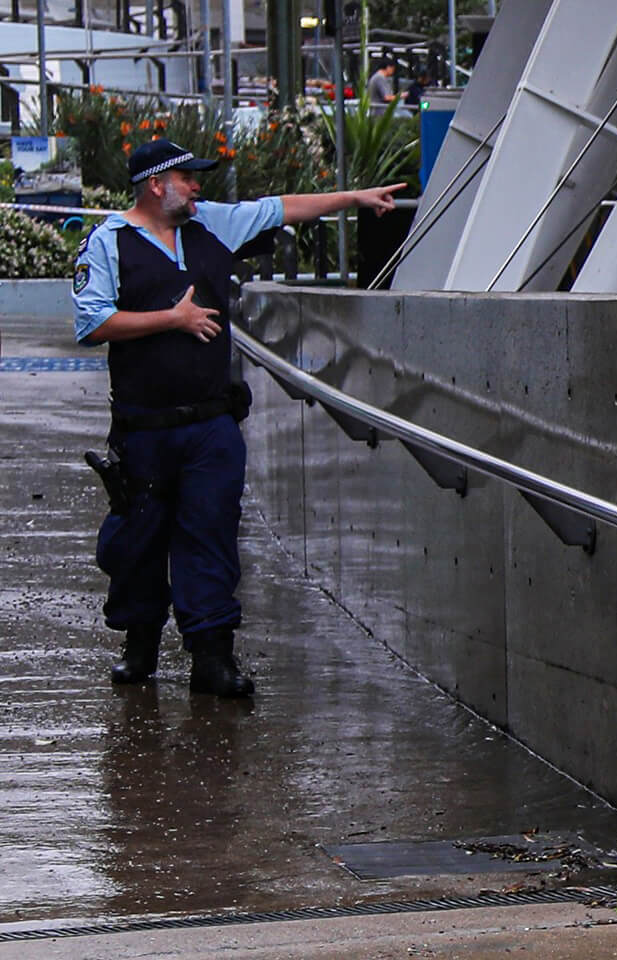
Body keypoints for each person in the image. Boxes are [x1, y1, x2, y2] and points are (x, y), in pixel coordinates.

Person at [73, 138, 404, 697]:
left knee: (211, 536)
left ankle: (212, 656)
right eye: (189, 177)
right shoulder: (108, 242)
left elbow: (283, 207)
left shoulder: (211, 225)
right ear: (158, 185)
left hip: (210, 426)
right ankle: (140, 646)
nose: (199, 185)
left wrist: (353, 197)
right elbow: (92, 323)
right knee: (138, 542)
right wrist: (172, 319)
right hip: (144, 429)